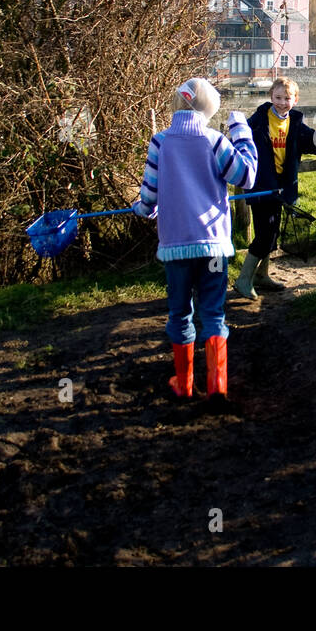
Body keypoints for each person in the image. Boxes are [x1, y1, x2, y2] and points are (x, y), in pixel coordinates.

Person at [132, 77, 257, 403]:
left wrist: (142, 208)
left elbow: (149, 198)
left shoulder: (159, 143)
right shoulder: (215, 141)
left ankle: (184, 384)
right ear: (209, 109)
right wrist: (242, 133)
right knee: (213, 314)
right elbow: (246, 176)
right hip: (213, 245)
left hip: (175, 246)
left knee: (179, 313)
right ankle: (217, 385)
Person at [234, 76, 316, 297]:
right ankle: (243, 280)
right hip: (261, 188)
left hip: (281, 190)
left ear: (295, 100)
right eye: (278, 97)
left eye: (287, 98)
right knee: (265, 233)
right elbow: (239, 143)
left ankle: (262, 275)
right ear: (271, 96)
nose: (282, 102)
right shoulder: (257, 122)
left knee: (270, 233)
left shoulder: (296, 124)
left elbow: (315, 141)